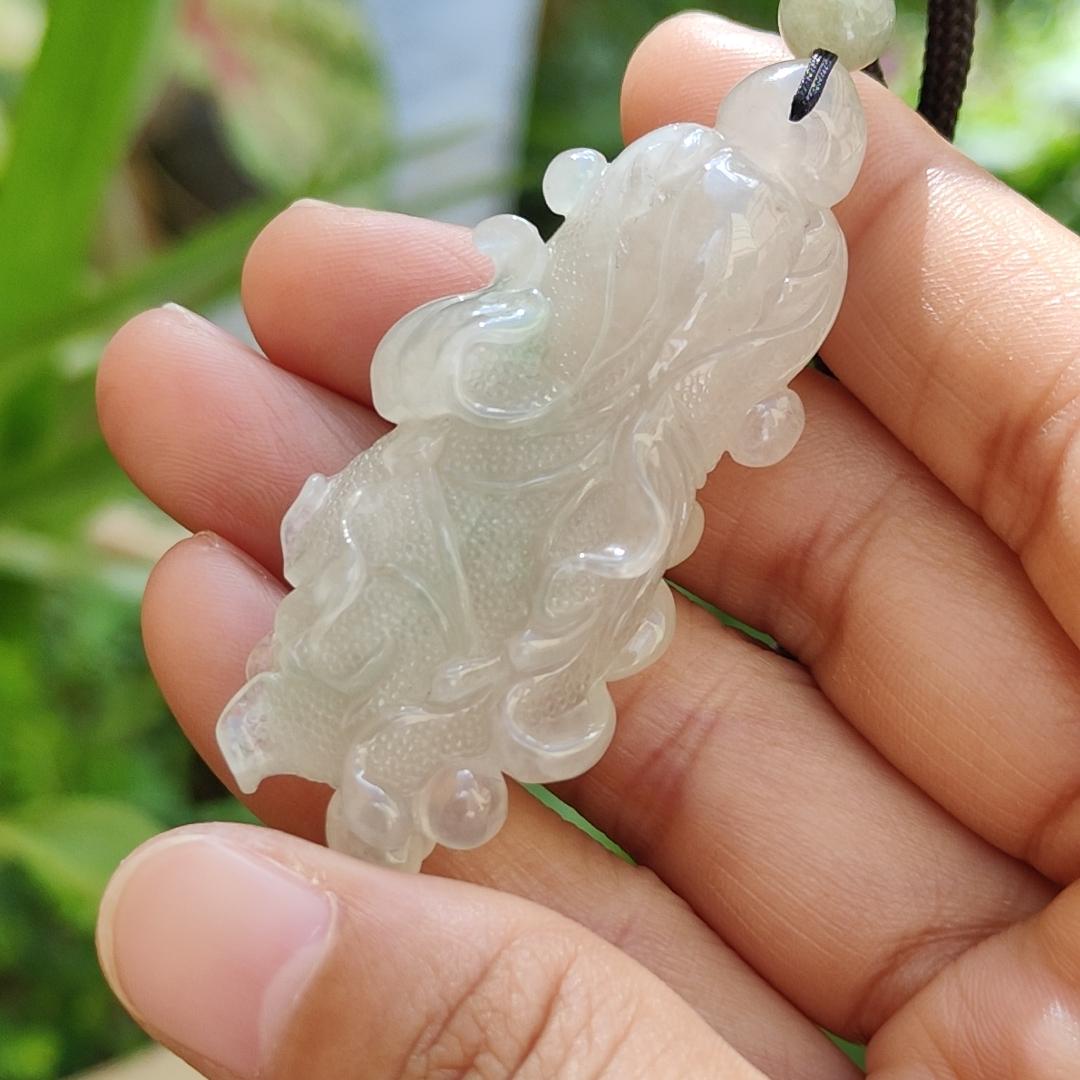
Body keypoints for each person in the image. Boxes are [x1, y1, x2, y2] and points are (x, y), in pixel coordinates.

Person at [91, 14, 1080, 1079]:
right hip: (547, 418)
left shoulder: (789, 242)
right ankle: (302, 715)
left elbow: (740, 397)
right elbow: (715, 381)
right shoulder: (727, 192)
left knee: (491, 619)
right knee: (421, 559)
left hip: (599, 461)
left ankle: (369, 774)